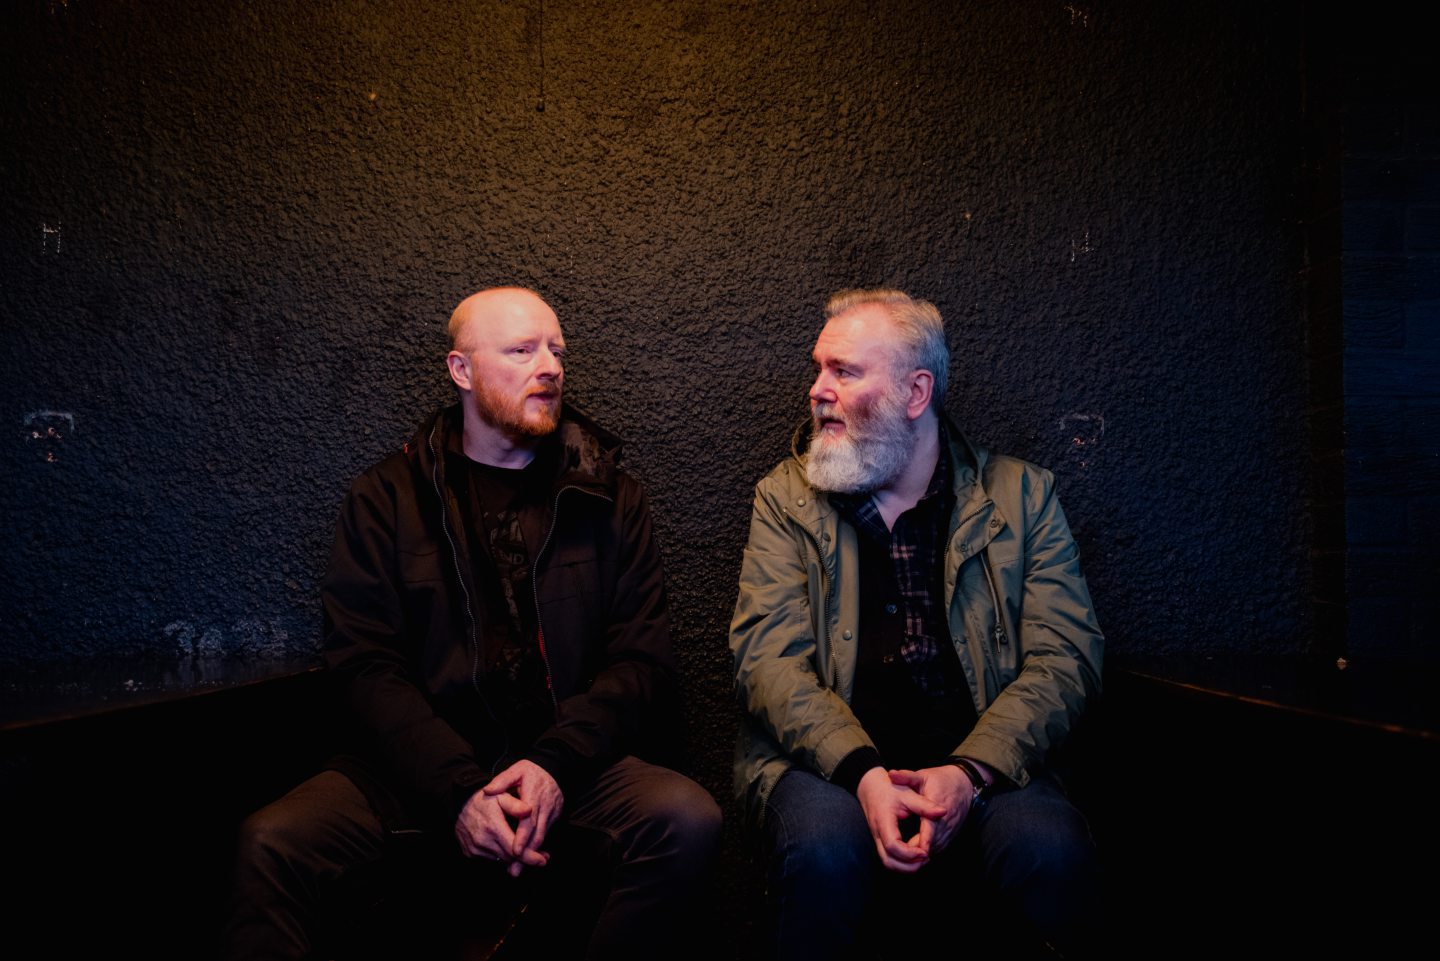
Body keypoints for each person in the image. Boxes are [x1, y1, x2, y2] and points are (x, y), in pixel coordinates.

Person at [225, 287, 720, 960]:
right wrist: (458, 791)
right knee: (273, 842)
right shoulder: (386, 498)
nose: (549, 365)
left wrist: (552, 765)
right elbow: (366, 667)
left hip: (568, 762)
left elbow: (643, 662)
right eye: (521, 350)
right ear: (461, 371)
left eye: (556, 350)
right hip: (417, 772)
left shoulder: (609, 495)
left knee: (686, 818)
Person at [730, 289, 1104, 958]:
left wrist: (970, 771)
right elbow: (767, 660)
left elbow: (1065, 658)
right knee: (823, 846)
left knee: (1050, 847)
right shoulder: (785, 500)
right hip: (828, 767)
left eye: (843, 371)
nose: (817, 390)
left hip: (983, 765)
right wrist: (865, 772)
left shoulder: (1023, 497)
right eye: (819, 369)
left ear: (915, 391)